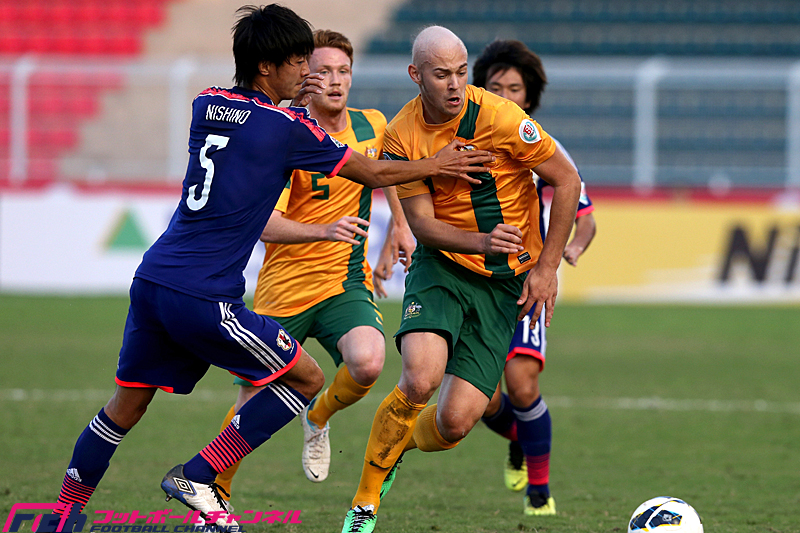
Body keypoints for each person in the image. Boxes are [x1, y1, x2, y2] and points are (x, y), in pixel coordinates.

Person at [52, 6, 494, 526]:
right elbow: (372, 172)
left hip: (154, 279)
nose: (308, 72)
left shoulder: (206, 103)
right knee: (306, 379)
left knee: (124, 407)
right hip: (204, 293)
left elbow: (255, 130)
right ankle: (200, 476)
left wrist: (293, 108)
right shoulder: (288, 129)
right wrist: (437, 164)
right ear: (267, 67)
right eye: (299, 62)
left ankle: (62, 515)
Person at [340, 26, 582, 533]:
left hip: (504, 284)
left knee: (454, 423)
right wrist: (481, 241)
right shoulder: (400, 135)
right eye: (440, 74)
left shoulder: (501, 117)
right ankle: (364, 504)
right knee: (419, 378)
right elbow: (423, 225)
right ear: (415, 75)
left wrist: (547, 268)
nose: (454, 84)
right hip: (442, 267)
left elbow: (567, 180)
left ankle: (396, 444)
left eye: (460, 72)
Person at [211, 29, 416, 501]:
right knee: (251, 400)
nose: (335, 80)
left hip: (345, 282)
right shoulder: (286, 136)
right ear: (306, 77)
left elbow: (387, 174)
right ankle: (215, 489)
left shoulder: (372, 125)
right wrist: (324, 229)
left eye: (343, 71)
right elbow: (266, 224)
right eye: (323, 71)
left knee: (368, 362)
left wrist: (399, 228)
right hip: (284, 289)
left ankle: (318, 416)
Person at [473, 39, 598, 516]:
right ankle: (521, 438)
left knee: (522, 384)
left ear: (529, 96)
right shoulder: (461, 141)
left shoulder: (541, 145)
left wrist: (573, 247)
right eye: (495, 86)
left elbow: (584, 215)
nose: (505, 95)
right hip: (472, 279)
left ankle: (539, 494)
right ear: (480, 89)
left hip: (525, 279)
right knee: (481, 401)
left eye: (514, 88)